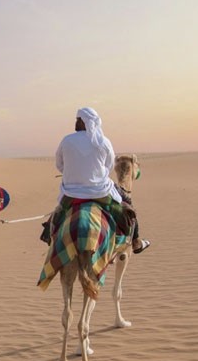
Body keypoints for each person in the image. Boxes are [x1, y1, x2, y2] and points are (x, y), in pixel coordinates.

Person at [51, 107, 150, 254]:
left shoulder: (67, 140)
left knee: (57, 215)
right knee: (127, 202)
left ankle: (50, 237)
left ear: (84, 122)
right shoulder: (103, 142)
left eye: (78, 120)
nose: (76, 122)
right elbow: (109, 166)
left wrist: (73, 174)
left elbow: (59, 164)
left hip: (71, 192)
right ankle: (135, 241)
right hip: (100, 191)